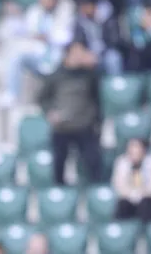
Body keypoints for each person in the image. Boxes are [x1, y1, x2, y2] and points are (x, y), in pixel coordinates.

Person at [40, 41, 104, 185]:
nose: (79, 56)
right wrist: (50, 112)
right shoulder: (56, 75)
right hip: (62, 127)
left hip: (84, 126)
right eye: (76, 53)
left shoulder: (89, 74)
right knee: (59, 163)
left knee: (93, 162)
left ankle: (94, 190)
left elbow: (96, 98)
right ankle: (59, 191)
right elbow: (43, 98)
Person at [112, 137, 151, 222]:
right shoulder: (121, 163)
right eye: (132, 150)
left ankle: (146, 228)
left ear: (143, 150)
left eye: (137, 149)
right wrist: (132, 194)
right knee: (122, 204)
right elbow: (118, 187)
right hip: (128, 198)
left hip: (146, 198)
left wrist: (140, 194)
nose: (135, 152)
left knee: (146, 204)